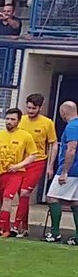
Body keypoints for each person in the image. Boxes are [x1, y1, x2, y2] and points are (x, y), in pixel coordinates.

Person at [0, 108, 39, 236]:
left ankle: (0, 226)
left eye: (12, 119)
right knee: (1, 200)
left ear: (19, 121)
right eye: (8, 119)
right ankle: (5, 227)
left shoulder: (26, 136)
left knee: (8, 197)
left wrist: (18, 165)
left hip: (16, 173)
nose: (9, 122)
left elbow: (33, 155)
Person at [16, 93, 57, 237]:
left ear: (40, 108)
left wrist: (50, 165)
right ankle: (24, 226)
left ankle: (16, 225)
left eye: (33, 108)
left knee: (25, 192)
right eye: (28, 108)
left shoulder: (47, 123)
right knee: (21, 195)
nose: (30, 111)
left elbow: (53, 143)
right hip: (21, 161)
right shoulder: (21, 121)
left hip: (37, 161)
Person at [43, 101, 78, 244]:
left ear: (63, 112)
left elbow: (71, 149)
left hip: (71, 169)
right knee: (75, 202)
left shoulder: (72, 126)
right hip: (76, 170)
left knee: (52, 197)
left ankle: (55, 232)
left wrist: (64, 172)